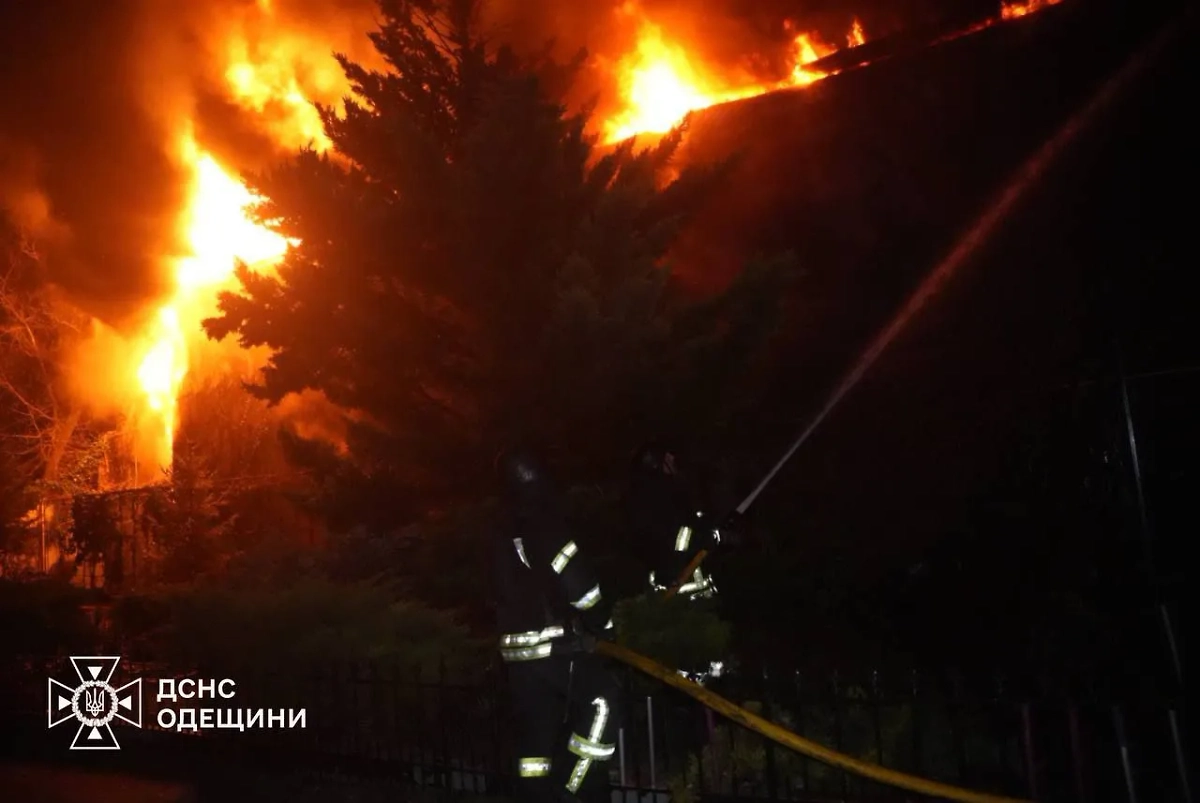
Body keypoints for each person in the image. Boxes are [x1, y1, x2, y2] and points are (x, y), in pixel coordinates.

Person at [493, 448, 622, 803]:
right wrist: (603, 625)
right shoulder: (544, 520)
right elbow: (579, 582)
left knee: (535, 741)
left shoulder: (501, 528)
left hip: (517, 657)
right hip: (552, 645)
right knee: (603, 701)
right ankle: (573, 791)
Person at [627, 441, 738, 602]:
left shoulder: (669, 491)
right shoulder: (654, 496)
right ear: (656, 463)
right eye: (668, 457)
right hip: (679, 597)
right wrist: (707, 537)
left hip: (695, 593)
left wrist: (717, 528)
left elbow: (691, 524)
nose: (673, 459)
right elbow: (676, 536)